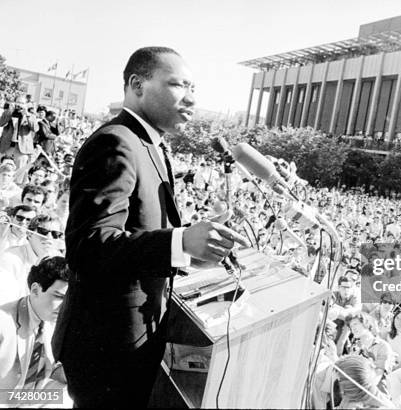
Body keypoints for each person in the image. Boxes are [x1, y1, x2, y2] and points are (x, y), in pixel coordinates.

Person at [52, 47, 248, 407]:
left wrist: (191, 252)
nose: (191, 98)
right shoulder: (116, 142)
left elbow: (139, 234)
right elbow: (90, 246)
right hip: (106, 347)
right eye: (178, 84)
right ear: (137, 84)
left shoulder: (150, 145)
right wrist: (180, 242)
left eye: (194, 87)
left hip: (133, 340)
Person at [0, 256, 69, 391]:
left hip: (28, 399)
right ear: (35, 290)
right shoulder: (3, 322)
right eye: (59, 297)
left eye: (68, 299)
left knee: (70, 392)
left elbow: (51, 368)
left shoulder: (51, 321)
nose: (64, 306)